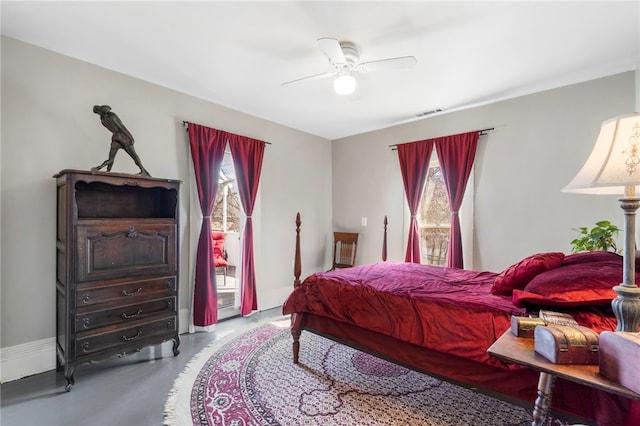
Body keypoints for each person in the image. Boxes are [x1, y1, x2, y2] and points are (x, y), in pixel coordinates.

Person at [91, 105, 150, 177]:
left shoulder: (102, 121)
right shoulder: (112, 116)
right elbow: (121, 127)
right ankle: (142, 170)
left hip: (115, 137)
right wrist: (130, 137)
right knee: (134, 156)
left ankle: (102, 169)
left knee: (111, 158)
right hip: (123, 137)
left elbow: (112, 129)